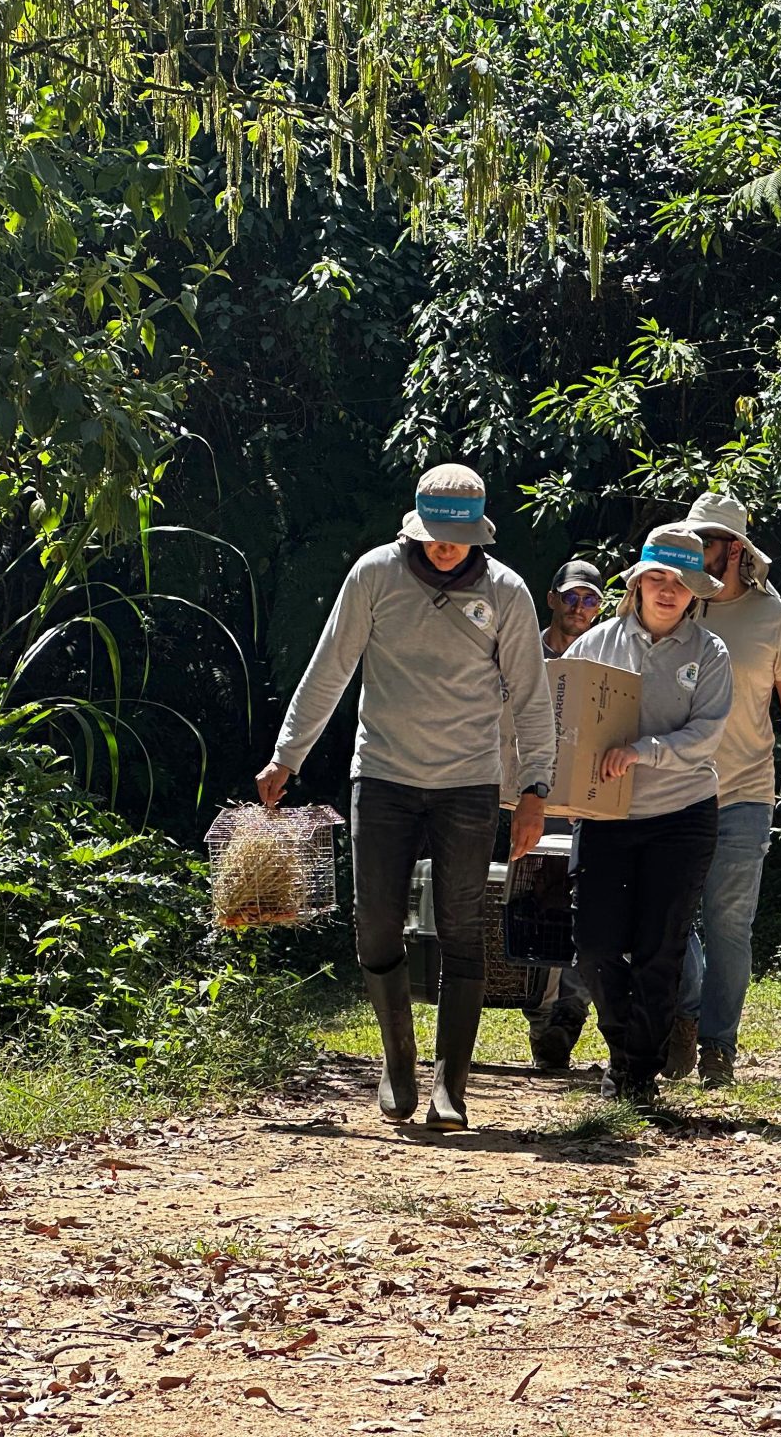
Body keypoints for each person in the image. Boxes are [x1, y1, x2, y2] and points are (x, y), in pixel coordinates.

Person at [258, 464, 555, 1132]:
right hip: (385, 773)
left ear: (478, 533)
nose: (446, 547)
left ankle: (451, 1085)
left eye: (458, 537)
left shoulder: (506, 592)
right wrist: (287, 755)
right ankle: (398, 1064)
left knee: (460, 927)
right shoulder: (374, 576)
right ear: (415, 527)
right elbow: (329, 667)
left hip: (469, 781)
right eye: (435, 535)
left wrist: (536, 788)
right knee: (376, 922)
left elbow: (532, 698)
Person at [564, 525, 733, 1105]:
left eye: (681, 582)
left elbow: (708, 734)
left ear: (695, 592)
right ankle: (624, 1049)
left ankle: (636, 1075)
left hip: (682, 813)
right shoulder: (593, 647)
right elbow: (564, 729)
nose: (668, 591)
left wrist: (643, 752)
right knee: (595, 945)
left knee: (661, 947)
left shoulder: (710, 654)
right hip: (605, 818)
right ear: (636, 583)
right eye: (657, 577)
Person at [665, 493, 781, 1087]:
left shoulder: (774, 618)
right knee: (667, 917)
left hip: (743, 794)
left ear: (734, 549)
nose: (693, 554)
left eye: (704, 543)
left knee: (729, 924)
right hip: (669, 792)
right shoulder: (671, 603)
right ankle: (685, 1014)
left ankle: (716, 1047)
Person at [522, 559, 605, 1071]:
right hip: (530, 800)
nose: (579, 609)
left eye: (590, 600)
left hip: (592, 804)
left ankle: (568, 1014)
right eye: (571, 597)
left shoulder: (608, 655)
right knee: (536, 907)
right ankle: (542, 1021)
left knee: (589, 910)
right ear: (551, 598)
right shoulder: (522, 651)